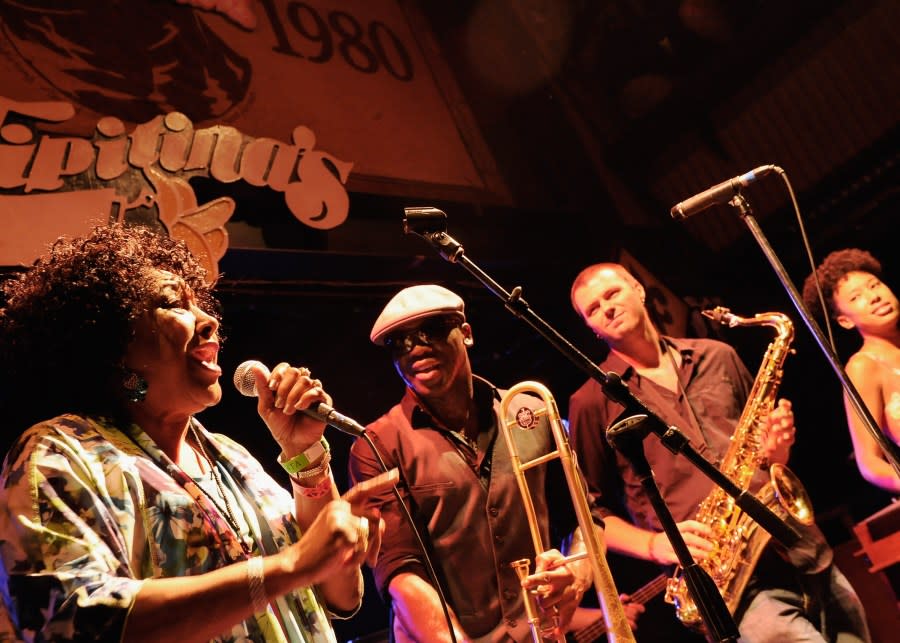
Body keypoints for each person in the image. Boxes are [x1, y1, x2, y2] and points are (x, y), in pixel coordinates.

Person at [0, 224, 393, 642]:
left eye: (201, 305)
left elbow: (341, 596)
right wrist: (289, 566)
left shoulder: (231, 457)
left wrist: (306, 457)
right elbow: (72, 624)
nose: (209, 321)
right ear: (113, 347)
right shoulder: (61, 453)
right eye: (173, 304)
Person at [567, 262, 870, 643]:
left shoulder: (718, 355)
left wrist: (777, 452)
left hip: (798, 546)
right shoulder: (591, 402)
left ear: (639, 291)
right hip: (727, 580)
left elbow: (761, 455)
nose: (606, 308)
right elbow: (592, 517)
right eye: (592, 309)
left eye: (612, 293)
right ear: (591, 328)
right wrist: (656, 545)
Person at [347, 285, 641, 642]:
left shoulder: (530, 411)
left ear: (466, 334)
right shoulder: (377, 444)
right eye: (400, 342)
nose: (416, 347)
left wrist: (576, 578)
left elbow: (586, 518)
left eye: (432, 331)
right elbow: (399, 570)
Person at [802, 248, 900, 494]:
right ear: (845, 321)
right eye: (856, 297)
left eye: (874, 285)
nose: (874, 296)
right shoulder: (863, 366)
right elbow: (870, 463)